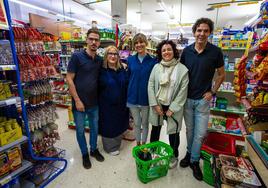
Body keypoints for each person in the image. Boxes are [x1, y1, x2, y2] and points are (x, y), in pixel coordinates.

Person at [179, 18, 225, 180]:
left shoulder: (215, 52)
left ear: (210, 33)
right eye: (199, 30)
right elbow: (180, 74)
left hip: (203, 100)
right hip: (187, 99)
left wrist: (212, 91)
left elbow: (221, 74)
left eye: (205, 31)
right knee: (190, 131)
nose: (202, 34)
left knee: (200, 133)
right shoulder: (186, 51)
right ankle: (189, 154)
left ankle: (194, 161)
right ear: (194, 32)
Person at [66, 28, 105, 169]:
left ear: (99, 43)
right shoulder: (77, 57)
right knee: (81, 130)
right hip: (79, 104)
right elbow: (69, 79)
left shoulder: (99, 60)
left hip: (94, 103)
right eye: (91, 39)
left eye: (96, 40)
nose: (94, 42)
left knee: (95, 128)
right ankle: (84, 154)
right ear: (86, 40)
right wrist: (77, 100)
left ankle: (93, 149)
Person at [148, 40, 189, 169]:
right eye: (164, 50)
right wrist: (154, 104)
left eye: (169, 49)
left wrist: (173, 108)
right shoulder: (156, 67)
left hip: (173, 106)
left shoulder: (182, 69)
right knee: (155, 129)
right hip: (158, 104)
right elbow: (150, 85)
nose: (166, 52)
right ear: (160, 52)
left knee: (174, 133)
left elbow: (183, 90)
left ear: (174, 51)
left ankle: (173, 155)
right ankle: (152, 153)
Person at [127, 33, 157, 146]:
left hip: (146, 98)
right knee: (136, 123)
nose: (139, 45)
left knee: (145, 123)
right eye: (136, 43)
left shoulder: (153, 61)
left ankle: (143, 145)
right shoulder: (130, 60)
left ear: (146, 43)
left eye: (141, 42)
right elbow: (128, 77)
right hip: (132, 97)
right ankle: (138, 144)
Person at [98, 46, 129, 156]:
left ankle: (117, 144)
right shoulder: (101, 70)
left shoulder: (122, 69)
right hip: (106, 105)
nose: (113, 56)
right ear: (106, 56)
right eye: (110, 53)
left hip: (121, 104)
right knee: (109, 126)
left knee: (119, 124)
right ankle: (109, 147)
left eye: (115, 54)